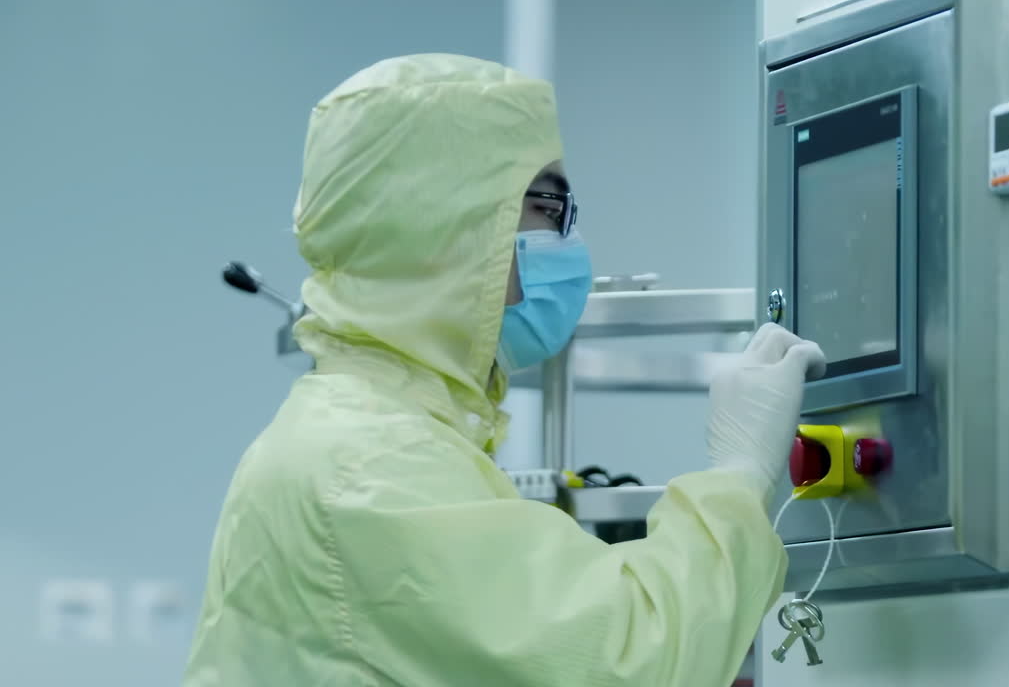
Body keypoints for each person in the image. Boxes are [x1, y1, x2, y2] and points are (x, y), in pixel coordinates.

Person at [183, 54, 826, 687]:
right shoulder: (370, 466)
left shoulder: (357, 440)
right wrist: (738, 476)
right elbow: (628, 662)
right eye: (549, 207)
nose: (568, 244)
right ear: (446, 225)